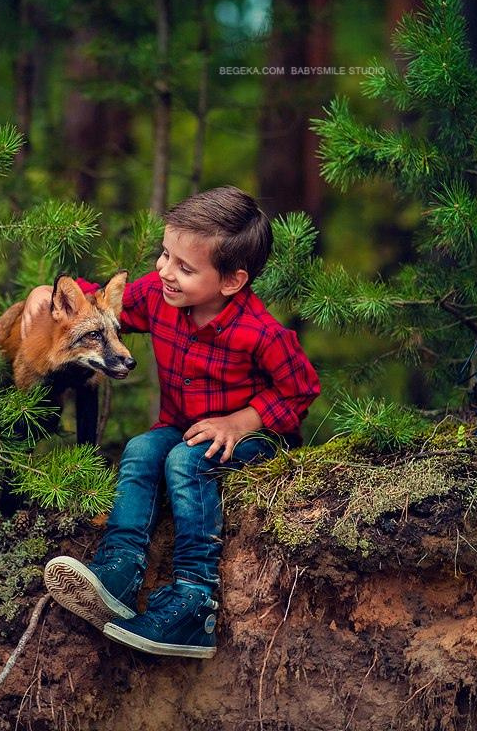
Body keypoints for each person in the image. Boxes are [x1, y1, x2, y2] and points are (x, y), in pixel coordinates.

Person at [18, 186, 321, 658]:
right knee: (141, 449)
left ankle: (193, 602)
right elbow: (89, 306)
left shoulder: (261, 333)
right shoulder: (160, 298)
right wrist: (43, 293)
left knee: (185, 461)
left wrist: (241, 421)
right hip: (183, 425)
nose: (164, 271)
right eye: (164, 255)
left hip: (255, 439)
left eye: (184, 267)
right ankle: (118, 571)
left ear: (231, 282)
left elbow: (300, 389)